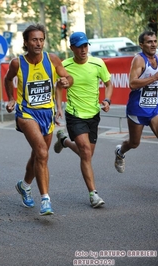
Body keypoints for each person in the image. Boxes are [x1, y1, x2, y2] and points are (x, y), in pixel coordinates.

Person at [4, 24, 72, 215]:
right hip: (26, 114)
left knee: (37, 155)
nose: (38, 43)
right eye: (34, 39)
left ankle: (24, 185)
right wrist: (11, 98)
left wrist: (66, 81)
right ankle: (45, 200)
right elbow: (8, 79)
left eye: (41, 39)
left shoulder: (52, 59)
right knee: (42, 152)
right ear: (26, 42)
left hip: (47, 114)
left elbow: (67, 78)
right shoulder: (17, 63)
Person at [53, 32, 113, 208]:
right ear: (72, 48)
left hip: (93, 115)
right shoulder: (65, 65)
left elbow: (109, 84)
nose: (83, 49)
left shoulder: (97, 63)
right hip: (74, 114)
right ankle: (93, 194)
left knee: (86, 154)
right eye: (79, 46)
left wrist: (107, 100)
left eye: (85, 46)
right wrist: (58, 108)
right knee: (85, 152)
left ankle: (64, 141)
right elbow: (58, 87)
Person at [114, 31, 158, 173]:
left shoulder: (157, 58)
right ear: (141, 45)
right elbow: (132, 84)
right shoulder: (139, 60)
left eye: (155, 41)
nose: (153, 44)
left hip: (154, 108)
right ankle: (120, 152)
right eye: (149, 42)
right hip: (137, 109)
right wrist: (154, 78)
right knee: (134, 143)